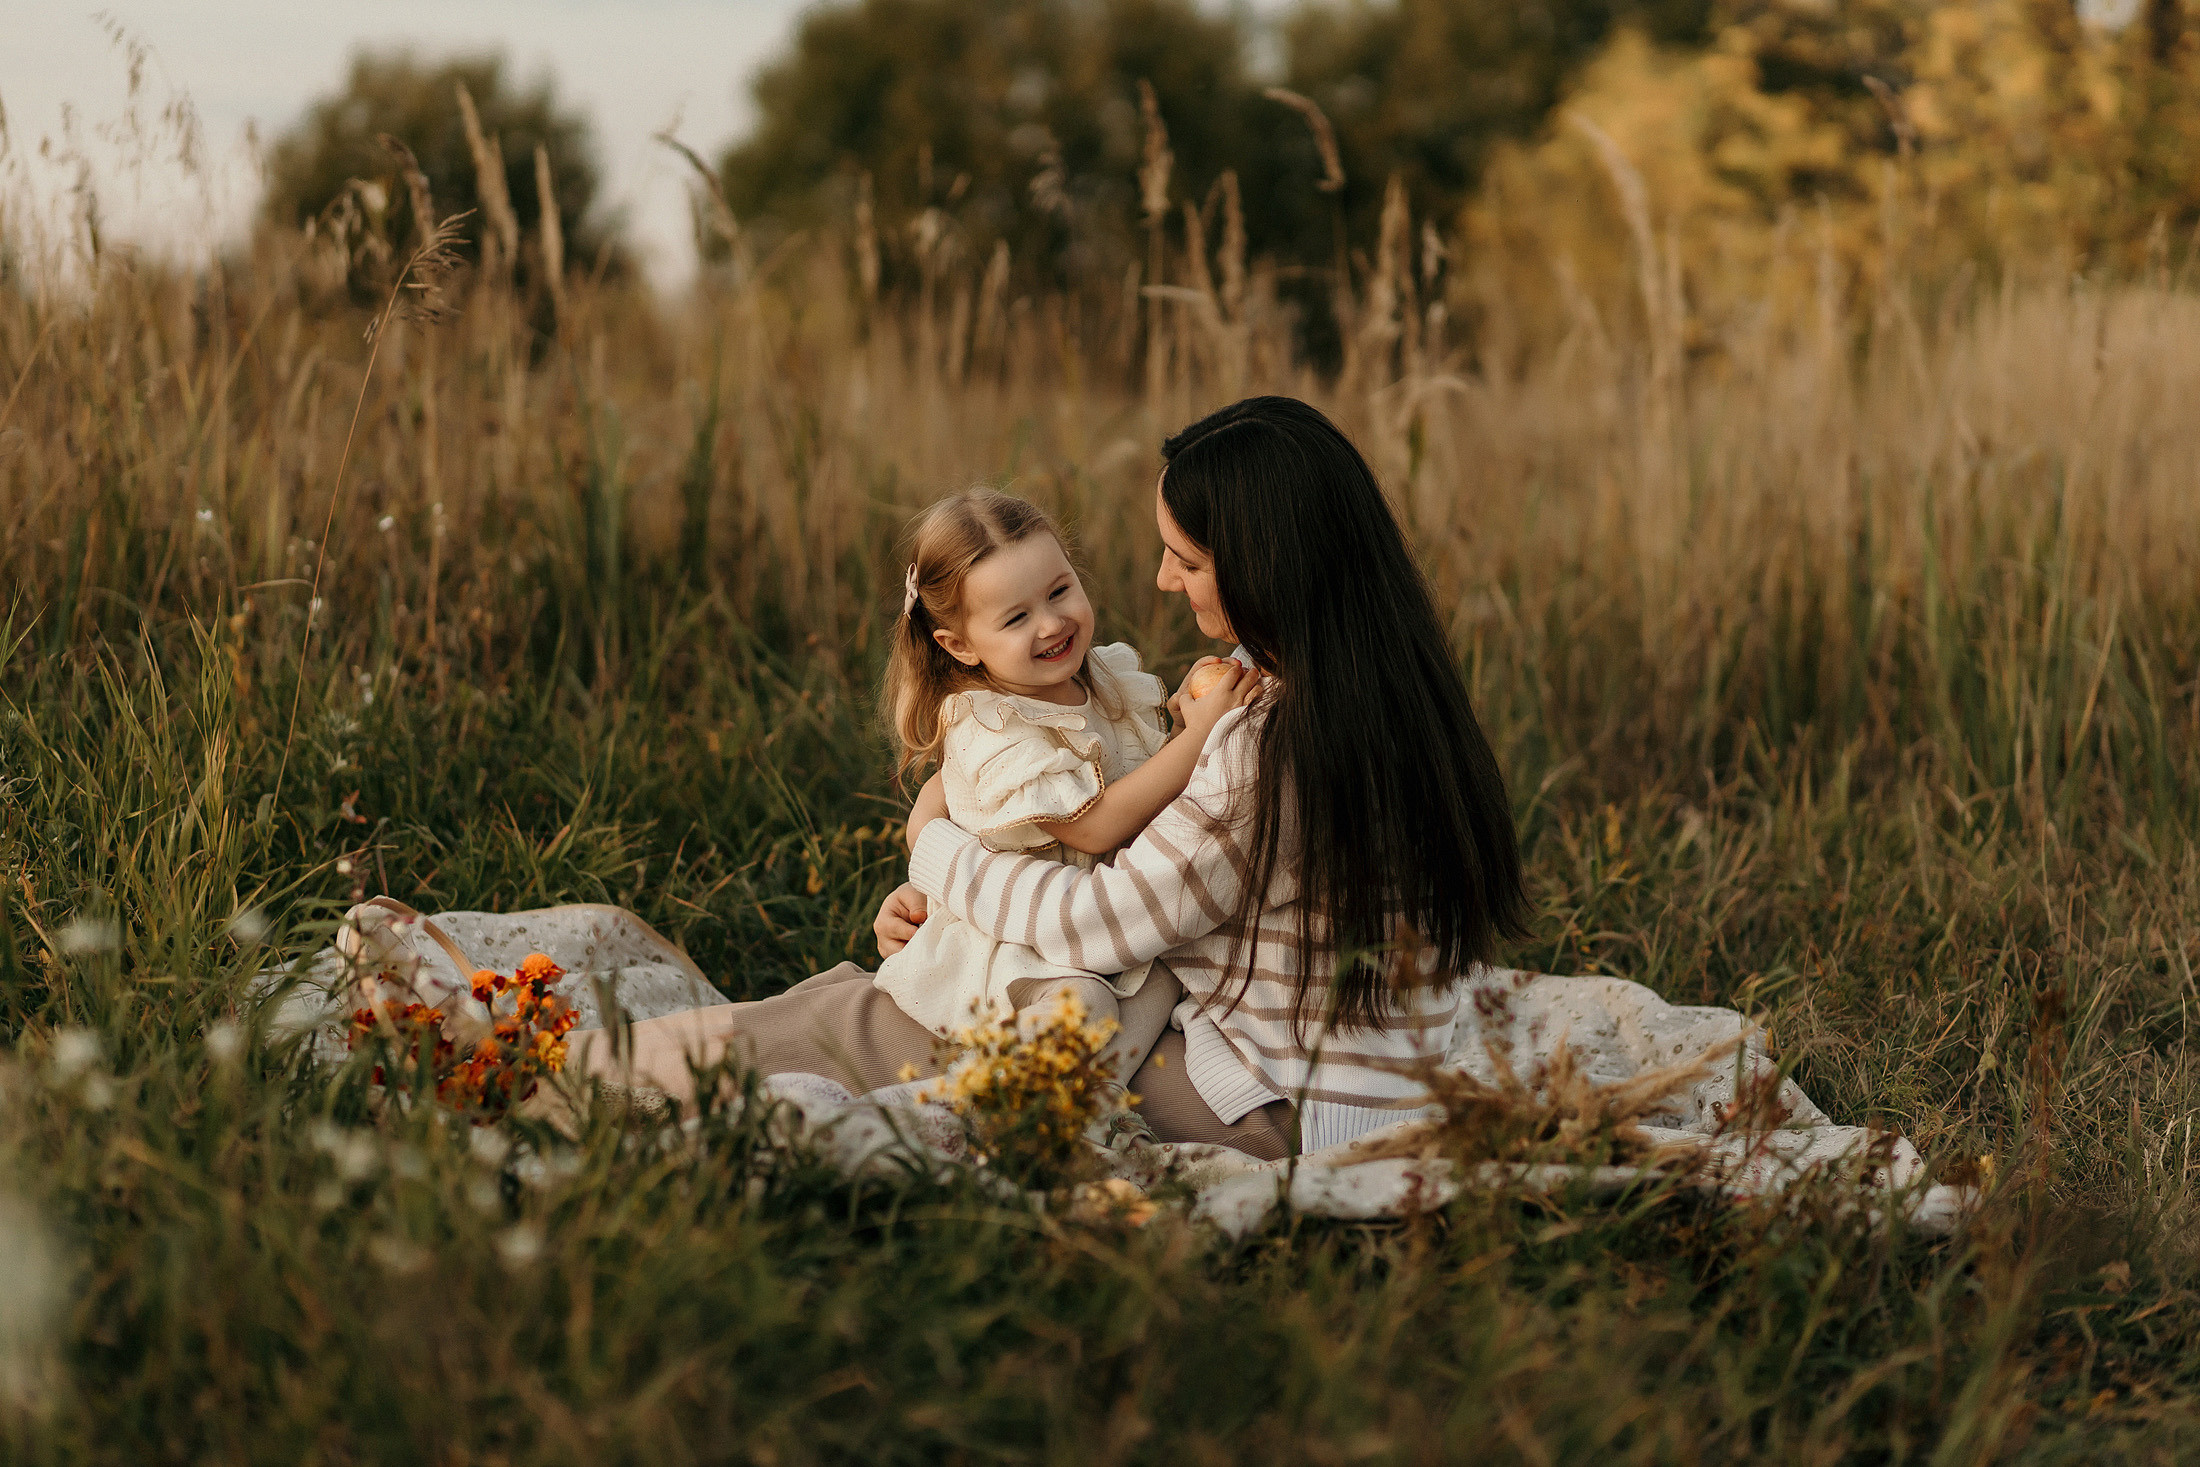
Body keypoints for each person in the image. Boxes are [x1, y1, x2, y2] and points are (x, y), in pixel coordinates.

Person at [567, 395, 1528, 1160]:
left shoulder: (1270, 738)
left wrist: (934, 847)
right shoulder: (1384, 690)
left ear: (1266, 565)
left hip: (1266, 1099)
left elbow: (1095, 920)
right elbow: (1187, 868)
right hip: (1328, 1071)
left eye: (1185, 559)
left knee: (863, 1021)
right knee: (887, 999)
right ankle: (594, 1062)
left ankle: (567, 1070)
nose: (1160, 580)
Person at [870, 488, 1257, 1094]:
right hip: (1026, 938)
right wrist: (1196, 741)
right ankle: (1015, 1116)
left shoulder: (1099, 680)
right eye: (1016, 617)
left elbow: (1136, 783)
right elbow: (1094, 826)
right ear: (961, 646)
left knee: (1166, 983)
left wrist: (1183, 729)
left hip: (1102, 925)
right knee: (1083, 1014)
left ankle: (1089, 1111)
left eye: (1059, 591)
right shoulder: (993, 722)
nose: (1052, 624)